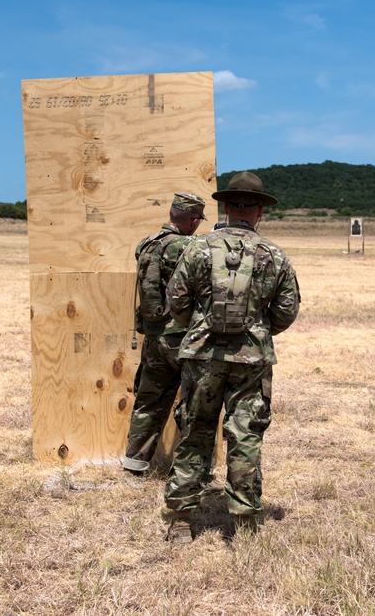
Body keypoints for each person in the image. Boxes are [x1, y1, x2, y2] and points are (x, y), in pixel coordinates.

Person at [163, 172, 300, 543]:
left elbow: (175, 301)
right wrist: (257, 328)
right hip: (251, 360)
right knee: (245, 436)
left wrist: (198, 326)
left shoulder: (196, 249)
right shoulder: (274, 255)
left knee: (195, 432)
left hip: (201, 357)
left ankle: (180, 520)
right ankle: (244, 522)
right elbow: (287, 311)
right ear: (259, 211)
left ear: (225, 207)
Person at [123, 192, 206, 475]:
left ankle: (134, 466)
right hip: (181, 337)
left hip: (154, 336)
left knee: (149, 401)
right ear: (194, 220)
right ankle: (189, 473)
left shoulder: (146, 244)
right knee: (193, 405)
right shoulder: (189, 247)